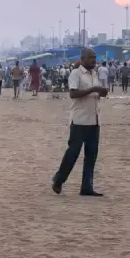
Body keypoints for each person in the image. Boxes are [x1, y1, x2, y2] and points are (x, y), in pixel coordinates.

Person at [52, 48, 107, 197]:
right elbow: (73, 93)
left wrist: (101, 92)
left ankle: (87, 187)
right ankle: (59, 179)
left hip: (94, 120)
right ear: (82, 59)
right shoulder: (76, 73)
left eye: (95, 57)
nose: (93, 60)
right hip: (79, 120)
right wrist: (93, 89)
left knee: (91, 155)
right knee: (72, 153)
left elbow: (95, 93)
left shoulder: (94, 74)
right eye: (90, 58)